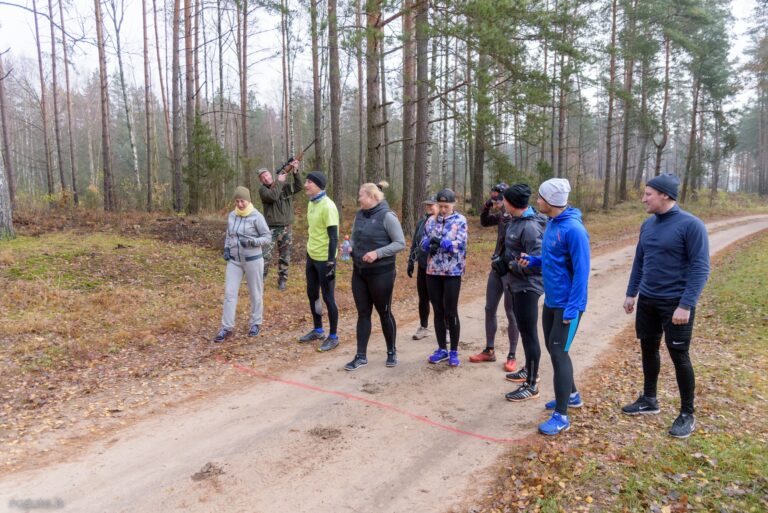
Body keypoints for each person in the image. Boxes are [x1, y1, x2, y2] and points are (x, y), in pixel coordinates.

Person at [622, 173, 710, 439]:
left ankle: (687, 413)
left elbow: (701, 267)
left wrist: (686, 304)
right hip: (648, 299)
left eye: (648, 194)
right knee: (648, 348)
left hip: (676, 304)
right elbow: (640, 260)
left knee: (679, 356)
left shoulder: (691, 225)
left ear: (665, 195)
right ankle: (649, 399)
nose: (643, 199)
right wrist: (631, 292)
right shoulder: (647, 225)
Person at [518, 178, 589, 435]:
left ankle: (561, 416)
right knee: (553, 347)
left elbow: (582, 272)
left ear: (550, 202)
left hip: (568, 305)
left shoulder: (574, 230)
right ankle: (571, 396)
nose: (537, 201)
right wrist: (535, 261)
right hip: (551, 299)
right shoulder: (552, 223)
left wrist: (573, 308)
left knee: (559, 353)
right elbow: (554, 258)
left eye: (540, 198)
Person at [492, 184, 547, 401]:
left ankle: (531, 384)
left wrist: (510, 267)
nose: (502, 203)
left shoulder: (531, 227)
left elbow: (538, 263)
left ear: (512, 203)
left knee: (529, 333)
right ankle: (528, 370)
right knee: (525, 331)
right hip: (516, 284)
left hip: (528, 286)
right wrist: (503, 262)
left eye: (504, 200)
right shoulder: (516, 220)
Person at [344, 182, 406, 371]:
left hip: (382, 274)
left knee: (384, 312)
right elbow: (354, 237)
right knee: (363, 313)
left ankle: (391, 351)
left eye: (361, 195)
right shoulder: (360, 215)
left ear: (372, 197)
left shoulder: (388, 216)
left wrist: (377, 253)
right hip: (360, 272)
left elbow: (400, 243)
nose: (358, 198)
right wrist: (349, 247)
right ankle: (361, 356)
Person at [469, 183, 520, 372]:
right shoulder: (500, 216)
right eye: (493, 199)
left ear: (507, 199)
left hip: (512, 271)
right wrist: (486, 206)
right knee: (489, 308)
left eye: (498, 200)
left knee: (510, 312)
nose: (495, 203)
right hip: (497, 268)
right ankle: (489, 350)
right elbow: (484, 222)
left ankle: (512, 355)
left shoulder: (516, 217)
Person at [213, 186, 272, 342]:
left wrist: (253, 241)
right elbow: (229, 234)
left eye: (242, 201)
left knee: (255, 293)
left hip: (253, 260)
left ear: (248, 200)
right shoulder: (232, 215)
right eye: (237, 201)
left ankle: (255, 323)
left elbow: (267, 237)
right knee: (229, 294)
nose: (240, 204)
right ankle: (226, 327)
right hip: (234, 261)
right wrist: (226, 247)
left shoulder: (256, 216)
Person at [420, 188, 468, 367]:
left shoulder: (460, 220)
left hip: (452, 272)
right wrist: (428, 244)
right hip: (433, 271)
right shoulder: (431, 221)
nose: (443, 209)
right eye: (440, 206)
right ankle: (442, 348)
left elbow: (460, 245)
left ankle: (454, 350)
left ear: (453, 204)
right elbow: (423, 242)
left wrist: (443, 243)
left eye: (446, 206)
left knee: (450, 311)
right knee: (438, 311)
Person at [298, 171, 341, 352]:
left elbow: (333, 237)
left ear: (318, 185)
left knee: (328, 297)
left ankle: (333, 336)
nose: (306, 185)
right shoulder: (311, 203)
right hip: (312, 256)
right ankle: (318, 329)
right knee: (312, 294)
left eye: (309, 182)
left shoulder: (328, 206)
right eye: (306, 181)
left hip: (325, 259)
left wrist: (331, 262)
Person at [258, 159, 302, 291]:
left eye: (267, 174)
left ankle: (282, 280)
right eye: (263, 177)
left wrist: (295, 171)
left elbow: (299, 187)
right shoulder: (263, 191)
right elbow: (273, 197)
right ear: (261, 180)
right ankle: (260, 280)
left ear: (271, 175)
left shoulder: (283, 186)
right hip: (270, 229)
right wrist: (280, 182)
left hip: (286, 228)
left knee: (285, 256)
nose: (266, 177)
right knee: (265, 256)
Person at [406, 196, 438, 340]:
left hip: (438, 268)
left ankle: (446, 328)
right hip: (422, 265)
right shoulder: (421, 222)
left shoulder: (442, 223)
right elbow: (415, 244)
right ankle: (423, 327)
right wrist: (411, 262)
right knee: (423, 298)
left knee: (439, 299)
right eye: (427, 205)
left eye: (432, 205)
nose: (429, 208)